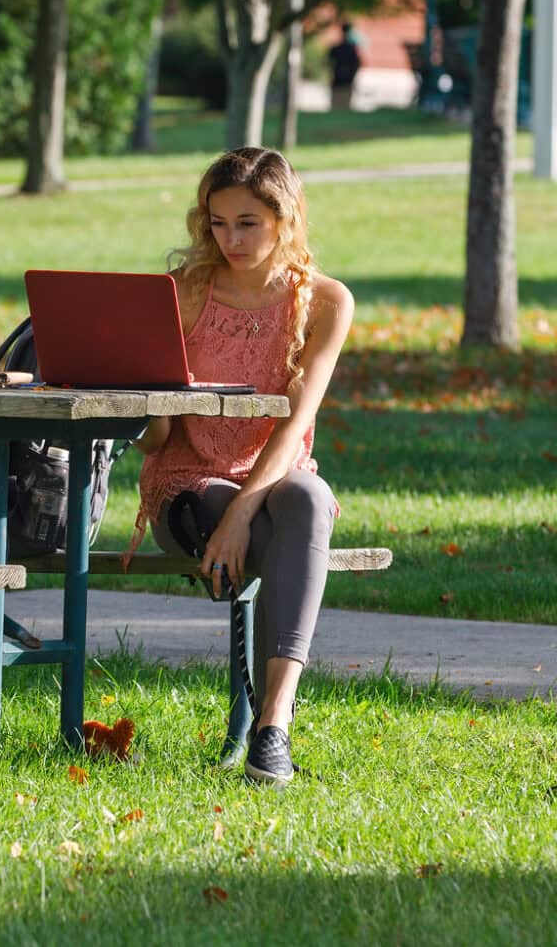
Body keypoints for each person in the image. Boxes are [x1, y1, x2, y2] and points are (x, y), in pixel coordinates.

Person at [127, 147, 354, 786]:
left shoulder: (326, 302)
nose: (231, 239)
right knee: (289, 522)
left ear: (285, 218)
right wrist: (142, 398)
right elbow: (159, 440)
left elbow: (295, 424)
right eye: (218, 222)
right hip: (186, 487)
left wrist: (242, 512)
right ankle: (266, 732)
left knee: (308, 499)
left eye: (247, 223)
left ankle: (272, 725)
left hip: (273, 486)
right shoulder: (182, 293)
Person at [327, 24, 362, 112]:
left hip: (339, 80)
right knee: (344, 107)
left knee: (337, 107)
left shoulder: (336, 48)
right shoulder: (352, 49)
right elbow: (357, 64)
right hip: (345, 81)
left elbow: (328, 63)